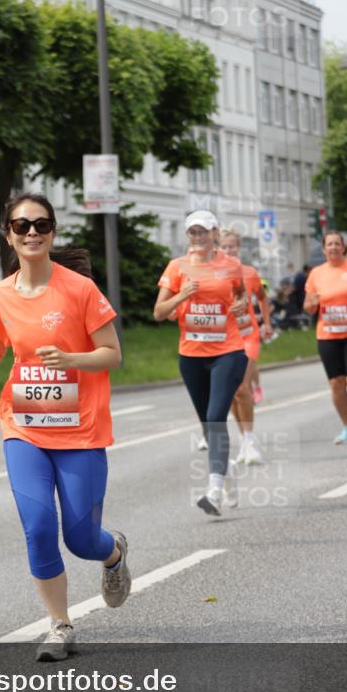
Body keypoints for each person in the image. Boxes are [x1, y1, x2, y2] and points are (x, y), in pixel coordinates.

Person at [0, 192, 130, 662]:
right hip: (23, 426)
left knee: (81, 539)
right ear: (9, 236)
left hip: (80, 430)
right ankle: (59, 625)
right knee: (38, 525)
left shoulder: (79, 290)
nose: (32, 232)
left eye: (41, 224)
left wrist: (73, 359)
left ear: (53, 232)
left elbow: (112, 354)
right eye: (22, 226)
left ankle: (113, 553)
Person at [154, 210, 248, 516]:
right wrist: (182, 295)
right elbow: (159, 312)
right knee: (207, 423)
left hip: (228, 351)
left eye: (203, 232)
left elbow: (242, 295)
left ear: (215, 234)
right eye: (193, 232)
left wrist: (240, 303)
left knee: (215, 416)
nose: (198, 237)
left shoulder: (231, 265)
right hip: (191, 356)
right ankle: (227, 468)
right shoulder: (177, 267)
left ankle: (213, 490)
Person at [304, 230, 347, 443]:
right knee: (336, 383)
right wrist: (312, 304)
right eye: (329, 244)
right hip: (328, 335)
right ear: (324, 249)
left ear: (343, 247)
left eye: (337, 244)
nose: (333, 247)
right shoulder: (316, 274)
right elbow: (307, 307)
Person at [218, 230, 273, 466]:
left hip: (248, 336)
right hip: (224, 338)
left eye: (232, 247)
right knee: (231, 392)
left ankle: (250, 440)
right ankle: (243, 441)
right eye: (224, 247)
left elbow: (263, 297)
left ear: (238, 248)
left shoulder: (249, 273)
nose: (229, 251)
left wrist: (267, 323)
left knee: (242, 388)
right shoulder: (214, 275)